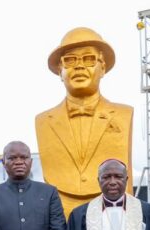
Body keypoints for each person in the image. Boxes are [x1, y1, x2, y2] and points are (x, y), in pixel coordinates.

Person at [35, 27, 134, 216]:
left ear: (102, 67)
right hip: (60, 214)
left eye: (88, 59)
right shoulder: (43, 121)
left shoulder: (123, 114)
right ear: (60, 70)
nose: (79, 66)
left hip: (111, 212)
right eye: (70, 60)